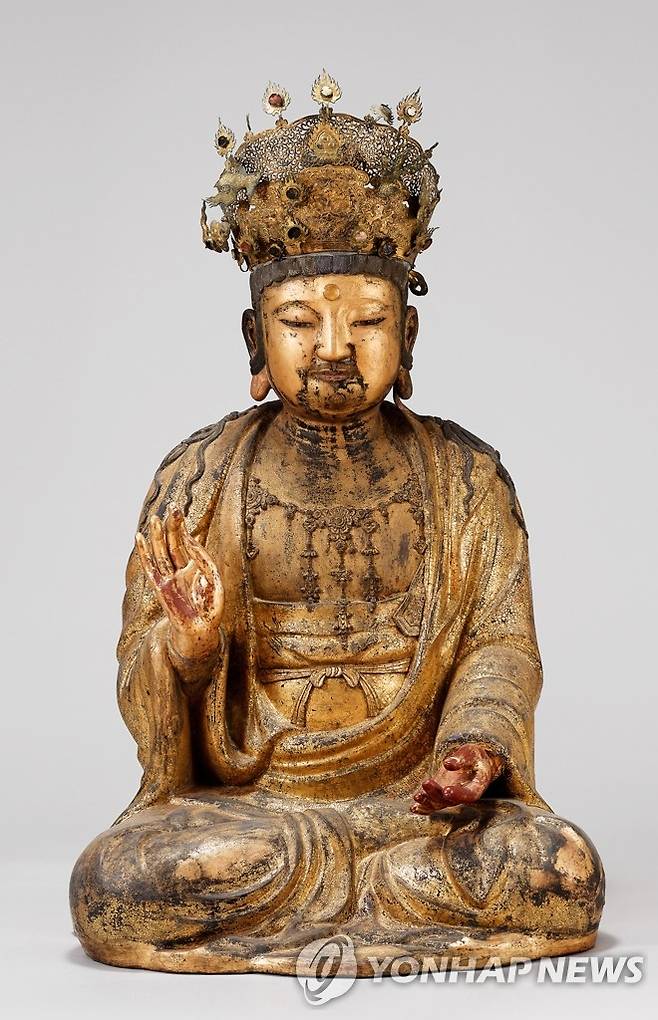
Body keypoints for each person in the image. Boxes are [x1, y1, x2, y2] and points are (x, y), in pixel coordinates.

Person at [70, 74, 604, 975]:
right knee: (115, 880)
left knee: (560, 864)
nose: (332, 347)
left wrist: (473, 747)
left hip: (423, 813)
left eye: (368, 320)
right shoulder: (198, 478)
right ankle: (374, 897)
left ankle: (355, 893)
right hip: (259, 811)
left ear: (409, 338)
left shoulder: (467, 478)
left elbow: (501, 646)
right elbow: (146, 686)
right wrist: (189, 649)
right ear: (254, 339)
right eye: (298, 320)